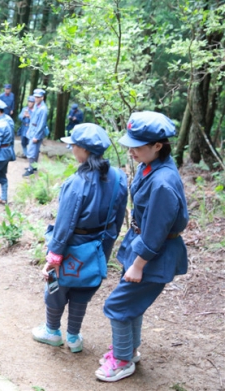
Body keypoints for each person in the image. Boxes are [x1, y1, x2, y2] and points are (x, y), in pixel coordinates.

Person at [97, 111, 188, 382]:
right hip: (141, 246)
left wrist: (138, 264)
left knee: (117, 305)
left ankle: (123, 361)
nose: (130, 150)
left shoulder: (162, 183)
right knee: (130, 304)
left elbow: (157, 232)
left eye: (136, 145)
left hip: (153, 255)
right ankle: (128, 350)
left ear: (157, 146)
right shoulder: (151, 167)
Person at [32, 123, 128, 356]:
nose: (72, 150)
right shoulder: (118, 178)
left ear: (83, 150)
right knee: (84, 289)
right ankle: (74, 337)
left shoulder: (77, 183)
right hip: (98, 247)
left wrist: (54, 256)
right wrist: (104, 250)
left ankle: (52, 332)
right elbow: (116, 222)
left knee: (56, 286)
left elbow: (65, 224)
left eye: (73, 146)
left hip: (70, 246)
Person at [24, 89, 48, 177]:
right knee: (34, 150)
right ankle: (34, 166)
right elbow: (33, 119)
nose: (36, 99)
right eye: (35, 97)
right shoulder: (36, 106)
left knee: (31, 151)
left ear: (42, 97)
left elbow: (41, 124)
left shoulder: (43, 109)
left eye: (38, 97)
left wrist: (36, 136)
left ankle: (30, 169)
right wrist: (29, 129)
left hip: (37, 133)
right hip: (32, 130)